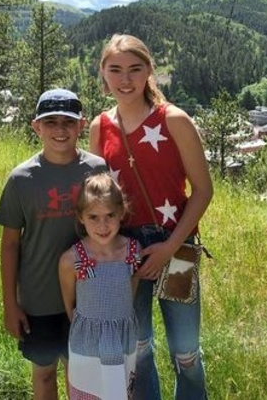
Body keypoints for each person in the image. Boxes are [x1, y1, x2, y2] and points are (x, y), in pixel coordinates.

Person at [89, 34, 214, 400]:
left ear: (149, 71)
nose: (125, 80)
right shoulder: (99, 127)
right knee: (137, 348)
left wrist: (169, 247)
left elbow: (203, 190)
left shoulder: (173, 120)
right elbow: (99, 196)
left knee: (186, 352)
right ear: (103, 72)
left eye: (134, 69)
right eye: (115, 70)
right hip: (124, 249)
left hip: (177, 245)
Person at [0, 88, 107, 400]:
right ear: (37, 127)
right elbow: (10, 245)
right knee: (44, 374)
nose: (60, 130)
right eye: (51, 122)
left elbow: (112, 225)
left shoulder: (97, 169)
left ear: (81, 125)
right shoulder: (21, 179)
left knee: (81, 376)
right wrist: (10, 304)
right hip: (38, 298)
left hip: (86, 298)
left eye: (68, 122)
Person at [59, 171, 143, 400]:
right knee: (89, 394)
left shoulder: (133, 252)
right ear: (81, 217)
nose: (103, 225)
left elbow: (131, 290)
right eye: (93, 217)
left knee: (120, 393)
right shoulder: (71, 259)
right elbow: (70, 303)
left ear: (121, 212)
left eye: (110, 215)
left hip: (123, 340)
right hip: (88, 344)